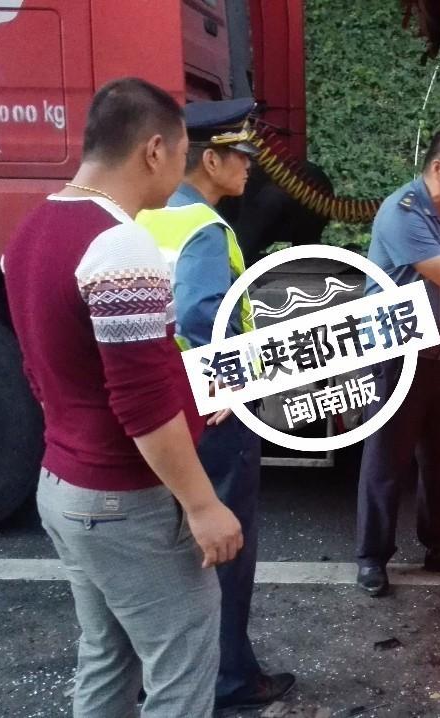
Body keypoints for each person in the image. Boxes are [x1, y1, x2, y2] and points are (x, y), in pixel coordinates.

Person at [1, 77, 243, 718]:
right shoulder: (121, 245)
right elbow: (139, 405)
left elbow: (57, 368)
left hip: (65, 485)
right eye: (184, 151)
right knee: (182, 669)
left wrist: (192, 392)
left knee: (107, 657)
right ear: (155, 149)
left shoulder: (31, 230)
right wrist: (202, 505)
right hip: (125, 501)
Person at [136, 98, 297, 712]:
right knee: (226, 547)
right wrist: (237, 383)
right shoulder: (203, 227)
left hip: (164, 408)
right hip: (213, 415)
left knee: (173, 549)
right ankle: (228, 681)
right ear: (209, 159)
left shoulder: (148, 218)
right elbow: (206, 321)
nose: (251, 168)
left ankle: (181, 671)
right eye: (243, 156)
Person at [355, 128, 440, 597]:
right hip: (398, 351)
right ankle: (371, 557)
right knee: (387, 455)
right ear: (438, 168)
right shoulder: (402, 212)